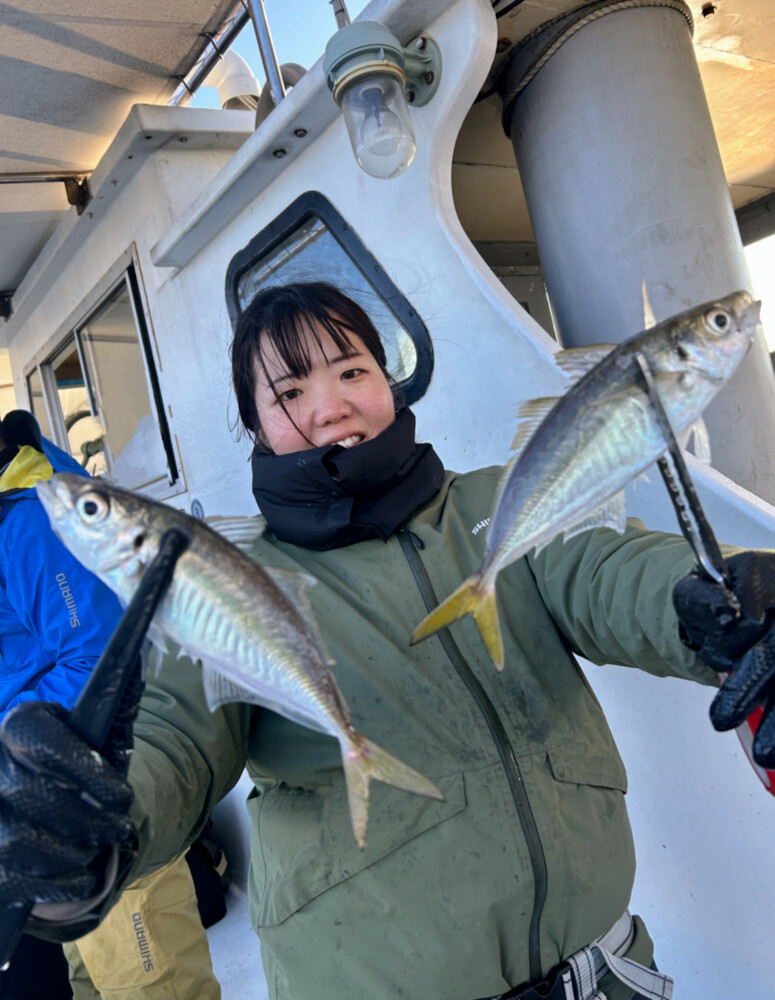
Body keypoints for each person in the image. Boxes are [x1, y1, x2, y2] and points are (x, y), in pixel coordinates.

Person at [0, 283, 773, 1000]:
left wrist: (718, 594)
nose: (330, 406)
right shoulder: (231, 578)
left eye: (350, 370)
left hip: (602, 976)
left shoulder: (497, 505)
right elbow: (175, 734)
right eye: (290, 393)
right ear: (255, 425)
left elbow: (611, 570)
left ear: (390, 379)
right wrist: (103, 824)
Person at [0, 411, 221, 1000]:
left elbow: (100, 664)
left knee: (153, 986)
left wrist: (9, 744)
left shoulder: (28, 521)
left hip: (97, 796)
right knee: (90, 980)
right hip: (45, 815)